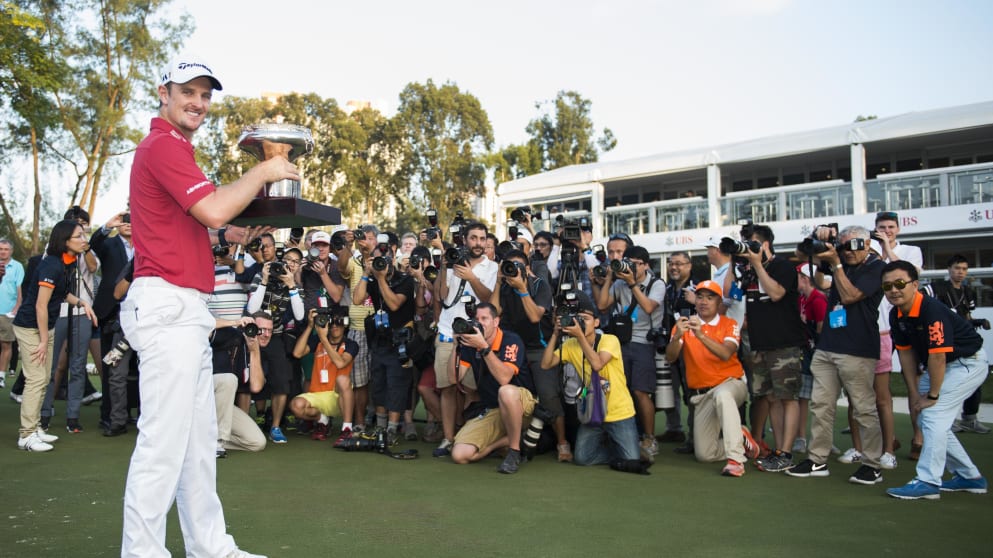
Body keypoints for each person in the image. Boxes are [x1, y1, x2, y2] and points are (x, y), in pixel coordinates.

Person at [120, 54, 298, 558]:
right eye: (188, 92)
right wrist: (264, 169)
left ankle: (212, 548)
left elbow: (205, 219)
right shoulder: (164, 145)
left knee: (199, 448)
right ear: (164, 93)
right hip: (167, 307)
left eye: (205, 94)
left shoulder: (176, 148)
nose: (198, 102)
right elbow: (215, 205)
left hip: (185, 310)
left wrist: (228, 230)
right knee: (163, 446)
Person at [786, 226, 887, 485]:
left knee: (863, 408)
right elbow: (821, 284)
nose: (849, 252)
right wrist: (824, 259)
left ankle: (872, 463)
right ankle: (817, 458)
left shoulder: (876, 267)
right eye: (843, 247)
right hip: (829, 345)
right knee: (821, 405)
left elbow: (851, 295)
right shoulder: (842, 261)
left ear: (867, 244)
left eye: (854, 246)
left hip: (857, 347)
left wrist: (837, 264)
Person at [882, 260, 988, 500]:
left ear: (915, 285)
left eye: (899, 283)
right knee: (929, 418)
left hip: (967, 363)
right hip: (942, 367)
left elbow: (938, 357)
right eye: (887, 287)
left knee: (933, 415)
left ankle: (928, 481)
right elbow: (906, 355)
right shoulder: (896, 314)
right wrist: (914, 393)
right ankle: (970, 477)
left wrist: (931, 396)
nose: (893, 290)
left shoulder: (931, 310)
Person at [13, 220, 97, 451]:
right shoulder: (51, 265)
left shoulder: (66, 263)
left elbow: (62, 294)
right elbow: (41, 306)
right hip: (31, 326)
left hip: (44, 327)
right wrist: (41, 340)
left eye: (84, 235)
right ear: (64, 241)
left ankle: (36, 426)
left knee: (43, 379)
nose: (84, 240)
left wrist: (82, 303)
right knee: (37, 379)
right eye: (79, 236)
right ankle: (26, 435)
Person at [665, 280, 760, 477]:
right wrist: (677, 337)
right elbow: (670, 357)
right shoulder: (684, 324)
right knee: (704, 454)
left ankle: (736, 460)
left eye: (710, 298)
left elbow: (726, 354)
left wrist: (699, 334)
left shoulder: (729, 323)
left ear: (719, 302)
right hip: (702, 394)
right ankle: (740, 438)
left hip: (731, 383)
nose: (703, 302)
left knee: (723, 395)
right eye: (700, 297)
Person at [541, 293, 641, 467]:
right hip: (592, 412)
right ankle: (615, 450)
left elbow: (597, 364)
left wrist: (579, 336)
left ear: (596, 322)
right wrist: (555, 335)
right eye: (577, 319)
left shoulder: (610, 340)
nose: (580, 322)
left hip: (618, 412)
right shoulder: (570, 345)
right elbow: (546, 364)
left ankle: (624, 450)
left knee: (631, 460)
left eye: (585, 319)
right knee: (582, 458)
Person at [429, 220, 498, 457]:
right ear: (465, 240)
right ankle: (448, 439)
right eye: (473, 238)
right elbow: (442, 295)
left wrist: (471, 277)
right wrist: (445, 267)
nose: (477, 243)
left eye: (481, 239)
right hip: (448, 331)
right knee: (447, 387)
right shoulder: (455, 261)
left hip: (476, 334)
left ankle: (467, 437)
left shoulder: (493, 267)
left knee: (472, 389)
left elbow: (488, 299)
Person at [742, 224, 806, 473]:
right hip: (759, 344)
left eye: (753, 243)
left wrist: (758, 264)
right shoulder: (748, 271)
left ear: (766, 244)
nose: (749, 249)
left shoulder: (782, 267)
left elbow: (777, 293)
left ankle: (786, 452)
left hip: (783, 344)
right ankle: (779, 451)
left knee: (787, 398)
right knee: (770, 398)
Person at [595, 245, 665, 462]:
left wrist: (632, 283)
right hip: (621, 342)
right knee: (618, 389)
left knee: (641, 391)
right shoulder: (619, 283)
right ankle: (623, 434)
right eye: (628, 263)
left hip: (644, 343)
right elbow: (602, 305)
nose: (630, 268)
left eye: (635, 264)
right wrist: (609, 278)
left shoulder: (656, 284)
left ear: (645, 265)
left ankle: (649, 437)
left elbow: (649, 307)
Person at [490, 250, 562, 459]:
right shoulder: (503, 287)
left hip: (538, 347)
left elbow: (534, 316)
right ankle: (513, 441)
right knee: (506, 392)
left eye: (517, 266)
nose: (513, 271)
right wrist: (497, 282)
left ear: (527, 268)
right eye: (509, 266)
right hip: (512, 346)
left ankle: (563, 442)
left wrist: (522, 288)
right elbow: (494, 313)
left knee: (548, 394)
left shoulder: (539, 285)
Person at [449, 303, 535, 473]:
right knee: (460, 455)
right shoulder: (470, 343)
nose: (479, 323)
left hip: (521, 404)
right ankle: (503, 444)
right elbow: (453, 378)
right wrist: (456, 346)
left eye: (484, 319)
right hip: (493, 408)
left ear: (496, 322)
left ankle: (514, 452)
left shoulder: (510, 339)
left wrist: (484, 348)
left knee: (506, 391)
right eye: (476, 319)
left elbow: (505, 379)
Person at [352, 232, 416, 445]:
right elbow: (358, 299)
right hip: (379, 340)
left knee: (396, 385)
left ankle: (392, 428)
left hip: (400, 342)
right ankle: (380, 426)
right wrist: (365, 273)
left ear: (393, 256)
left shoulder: (405, 280)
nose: (382, 262)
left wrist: (380, 279)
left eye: (385, 257)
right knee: (378, 383)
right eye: (378, 259)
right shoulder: (373, 277)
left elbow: (394, 304)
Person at [923, 254, 990, 434]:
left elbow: (967, 315)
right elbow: (921, 297)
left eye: (964, 269)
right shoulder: (936, 288)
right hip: (945, 340)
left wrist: (977, 322)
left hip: (964, 341)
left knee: (974, 380)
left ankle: (970, 418)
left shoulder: (968, 291)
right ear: (949, 269)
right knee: (944, 380)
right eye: (957, 268)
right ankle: (946, 418)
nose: (961, 272)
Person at [290, 308, 357, 443]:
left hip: (338, 397)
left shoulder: (350, 344)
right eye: (331, 322)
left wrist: (324, 339)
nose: (334, 326)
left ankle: (347, 429)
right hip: (318, 395)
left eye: (339, 323)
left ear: (345, 324)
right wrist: (310, 327)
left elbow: (340, 363)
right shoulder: (317, 341)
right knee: (296, 405)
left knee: (343, 379)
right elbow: (297, 353)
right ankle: (323, 421)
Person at [211, 312, 267, 457]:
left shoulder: (262, 349)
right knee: (229, 379)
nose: (263, 334)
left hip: (221, 406)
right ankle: (218, 441)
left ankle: (203, 440)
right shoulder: (230, 335)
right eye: (258, 328)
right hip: (201, 396)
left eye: (269, 331)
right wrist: (235, 322)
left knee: (257, 442)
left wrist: (254, 351)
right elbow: (205, 325)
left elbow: (256, 387)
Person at [0, 238, 25, 385]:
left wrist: (15, 310)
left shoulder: (17, 267)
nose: (3, 252)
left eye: (5, 249)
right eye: (1, 249)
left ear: (11, 251)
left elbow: (19, 291)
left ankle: (1, 375)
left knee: (6, 344)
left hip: (7, 312)